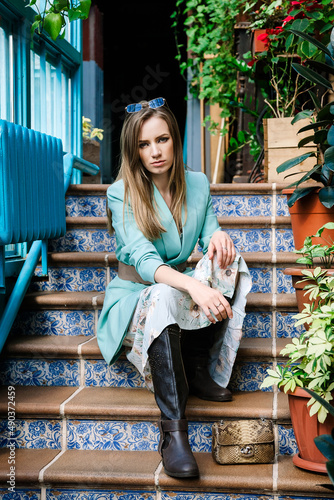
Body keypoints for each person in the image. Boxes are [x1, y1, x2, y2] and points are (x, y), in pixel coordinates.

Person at [97, 97, 252, 479]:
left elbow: (210, 228)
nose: (155, 151)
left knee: (227, 261)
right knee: (168, 292)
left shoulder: (196, 182)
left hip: (177, 288)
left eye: (162, 140)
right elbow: (146, 262)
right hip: (138, 295)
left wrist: (220, 241)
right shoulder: (122, 192)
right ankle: (173, 431)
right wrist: (194, 288)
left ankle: (201, 369)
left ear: (175, 139)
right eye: (144, 144)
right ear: (134, 150)